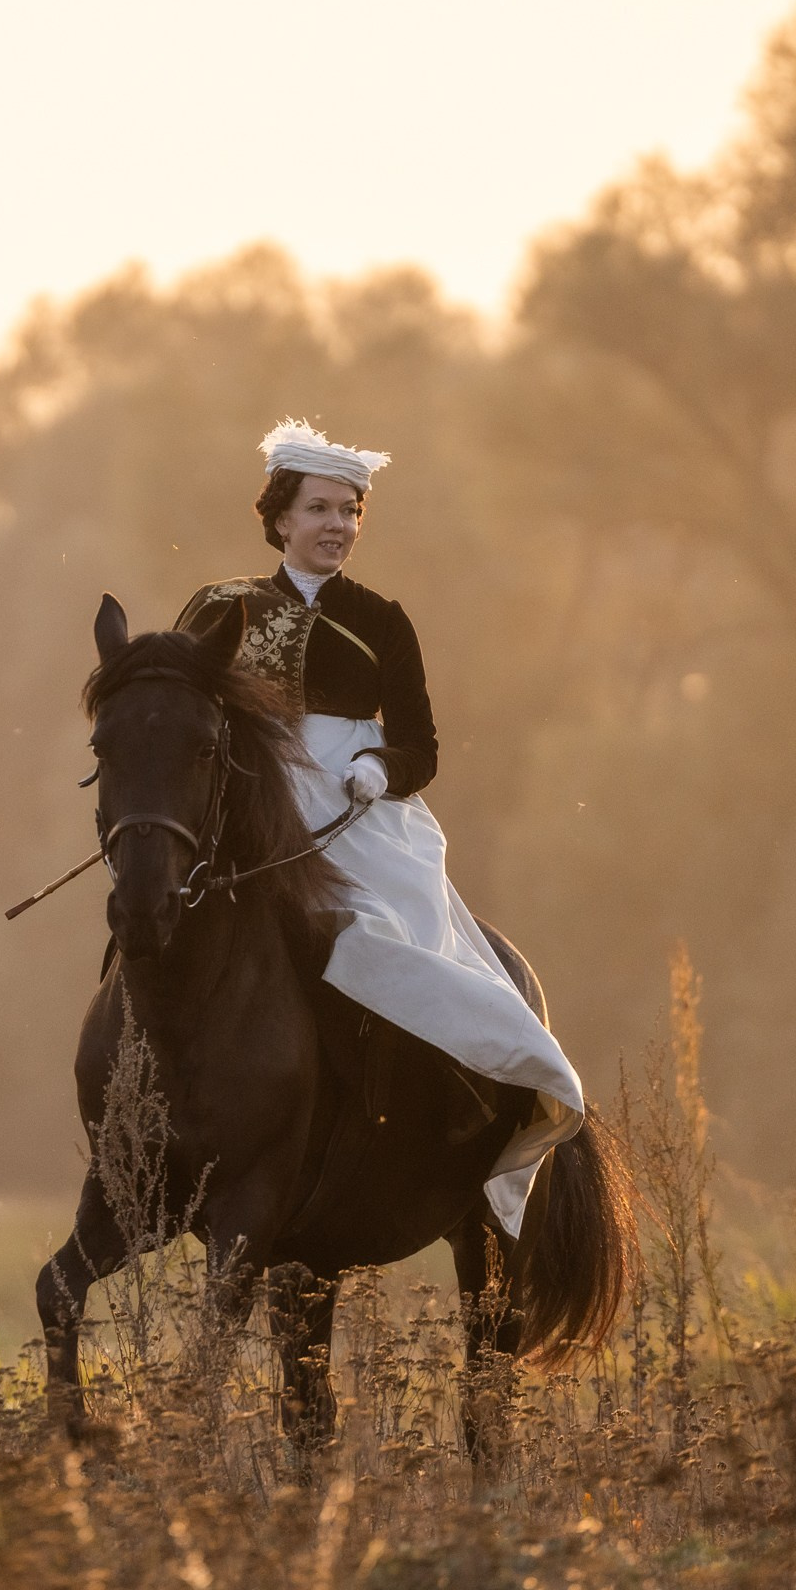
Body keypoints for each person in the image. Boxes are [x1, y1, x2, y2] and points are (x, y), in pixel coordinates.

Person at [174, 420, 583, 1239]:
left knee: (391, 934)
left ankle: (451, 1092)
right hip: (253, 801)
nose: (338, 525)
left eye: (351, 511)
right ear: (280, 518)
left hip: (358, 811)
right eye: (320, 508)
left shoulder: (384, 620)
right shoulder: (221, 607)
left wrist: (378, 770)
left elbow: (422, 747)